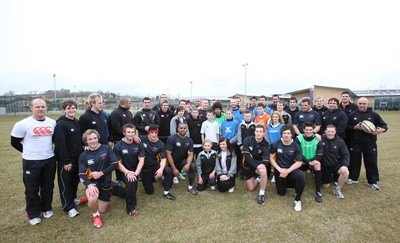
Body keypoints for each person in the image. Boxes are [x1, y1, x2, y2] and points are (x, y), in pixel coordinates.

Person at [11, 98, 57, 225]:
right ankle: (34, 214)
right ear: (31, 108)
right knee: (31, 189)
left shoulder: (52, 122)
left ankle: (47, 208)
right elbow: (14, 142)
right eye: (37, 107)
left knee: (48, 186)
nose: (41, 109)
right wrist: (28, 152)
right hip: (31, 161)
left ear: (46, 108)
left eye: (43, 106)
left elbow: (53, 139)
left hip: (49, 159)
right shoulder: (22, 124)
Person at [78, 129, 119, 228]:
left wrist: (101, 173)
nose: (93, 141)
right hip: (93, 183)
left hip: (106, 182)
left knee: (103, 210)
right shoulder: (83, 155)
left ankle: (90, 199)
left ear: (98, 138)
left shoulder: (107, 149)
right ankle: (95, 215)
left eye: (95, 138)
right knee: (93, 199)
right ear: (86, 141)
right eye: (90, 139)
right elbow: (82, 174)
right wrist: (89, 185)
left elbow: (115, 164)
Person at [346, 97, 388, 190]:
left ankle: (372, 181)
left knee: (371, 162)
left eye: (364, 103)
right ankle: (353, 178)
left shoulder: (374, 115)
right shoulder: (352, 115)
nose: (362, 105)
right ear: (357, 104)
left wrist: (382, 130)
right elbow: (347, 127)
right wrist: (354, 128)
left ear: (367, 104)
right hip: (355, 142)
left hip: (370, 143)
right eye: (360, 103)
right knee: (354, 162)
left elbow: (384, 125)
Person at [54, 100, 85, 218]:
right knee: (65, 183)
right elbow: (60, 144)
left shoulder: (76, 122)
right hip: (66, 160)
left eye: (73, 108)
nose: (71, 110)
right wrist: (65, 161)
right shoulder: (61, 124)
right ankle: (68, 206)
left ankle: (73, 199)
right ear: (64, 110)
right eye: (68, 108)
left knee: (75, 181)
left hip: (78, 158)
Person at [269, 124, 305, 212]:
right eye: (284, 133)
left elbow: (299, 162)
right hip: (279, 170)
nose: (286, 135)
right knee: (281, 193)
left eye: (288, 133)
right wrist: (279, 169)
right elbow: (271, 158)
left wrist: (287, 171)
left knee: (301, 176)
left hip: (290, 169)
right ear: (281, 134)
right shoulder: (275, 144)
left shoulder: (296, 146)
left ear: (292, 134)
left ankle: (297, 199)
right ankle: (288, 183)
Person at [112, 124, 145, 216]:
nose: (130, 134)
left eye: (132, 132)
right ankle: (131, 208)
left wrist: (136, 173)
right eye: (128, 132)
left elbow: (141, 160)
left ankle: (114, 190)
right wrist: (128, 173)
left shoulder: (138, 144)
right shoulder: (118, 146)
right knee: (131, 182)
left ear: (135, 133)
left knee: (131, 186)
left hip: (135, 171)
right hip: (123, 171)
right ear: (124, 133)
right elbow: (118, 164)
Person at [140, 125, 175, 200]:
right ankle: (146, 179)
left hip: (154, 165)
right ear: (148, 133)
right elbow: (130, 137)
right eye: (151, 132)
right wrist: (135, 137)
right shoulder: (141, 138)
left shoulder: (161, 144)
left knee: (168, 171)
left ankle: (166, 192)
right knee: (150, 191)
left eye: (155, 133)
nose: (153, 134)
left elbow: (163, 159)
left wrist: (161, 169)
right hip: (144, 169)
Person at [166, 123, 198, 195]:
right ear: (177, 129)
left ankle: (190, 187)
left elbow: (190, 155)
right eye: (181, 128)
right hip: (171, 163)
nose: (182, 129)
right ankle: (164, 177)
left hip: (181, 162)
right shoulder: (171, 138)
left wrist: (188, 164)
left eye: (184, 128)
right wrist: (174, 169)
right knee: (168, 183)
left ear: (186, 129)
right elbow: (168, 154)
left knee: (192, 166)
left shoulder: (189, 140)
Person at [296, 122, 323, 203]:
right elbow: (298, 153)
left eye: (310, 130)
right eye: (306, 129)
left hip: (313, 160)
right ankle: (298, 190)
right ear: (303, 130)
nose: (308, 131)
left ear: (313, 130)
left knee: (318, 164)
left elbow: (320, 154)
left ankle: (318, 191)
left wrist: (312, 161)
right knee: (302, 179)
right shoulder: (298, 138)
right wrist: (308, 162)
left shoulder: (318, 138)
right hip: (303, 161)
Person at [242, 125, 270, 204]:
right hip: (248, 165)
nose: (258, 133)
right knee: (251, 189)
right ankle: (258, 179)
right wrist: (257, 164)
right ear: (254, 132)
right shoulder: (247, 140)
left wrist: (258, 165)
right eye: (257, 131)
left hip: (258, 166)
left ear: (264, 133)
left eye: (260, 132)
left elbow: (265, 161)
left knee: (263, 171)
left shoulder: (266, 143)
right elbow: (247, 157)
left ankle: (261, 193)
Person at [321, 125, 350, 199]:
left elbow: (346, 154)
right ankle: (330, 179)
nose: (330, 133)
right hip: (324, 166)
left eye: (332, 132)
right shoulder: (320, 139)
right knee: (325, 186)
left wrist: (345, 165)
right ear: (325, 132)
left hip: (336, 165)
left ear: (335, 132)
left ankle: (337, 189)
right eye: (329, 131)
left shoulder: (340, 141)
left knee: (345, 171)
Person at [236, 110, 256, 180]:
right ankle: (243, 173)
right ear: (244, 117)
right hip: (243, 146)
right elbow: (239, 135)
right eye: (246, 116)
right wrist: (240, 144)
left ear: (251, 116)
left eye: (249, 116)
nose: (248, 117)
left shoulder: (254, 125)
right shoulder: (241, 125)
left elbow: (255, 136)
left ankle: (252, 173)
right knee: (243, 160)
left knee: (251, 159)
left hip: (252, 146)